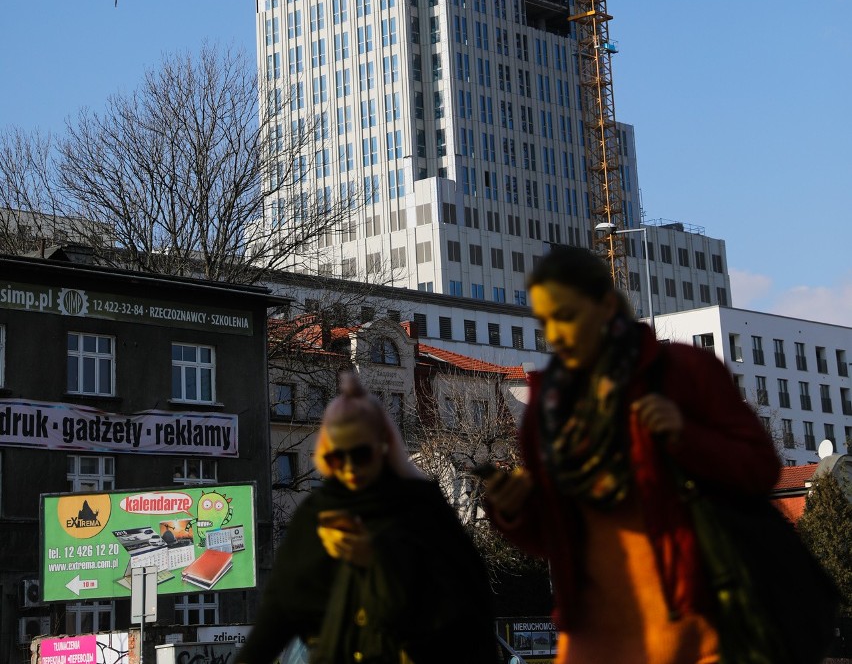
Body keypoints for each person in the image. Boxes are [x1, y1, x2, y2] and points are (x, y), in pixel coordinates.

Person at [482, 246, 781, 664]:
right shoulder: (547, 409)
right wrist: (511, 510)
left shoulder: (683, 371)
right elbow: (555, 538)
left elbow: (761, 467)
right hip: (592, 633)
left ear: (606, 306)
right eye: (545, 321)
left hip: (693, 622)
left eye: (565, 316)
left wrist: (684, 435)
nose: (555, 335)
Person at [236, 370, 497, 664]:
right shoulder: (317, 512)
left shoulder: (422, 508)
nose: (349, 468)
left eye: (360, 455)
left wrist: (376, 560)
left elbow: (463, 604)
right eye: (337, 457)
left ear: (382, 449)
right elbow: (282, 607)